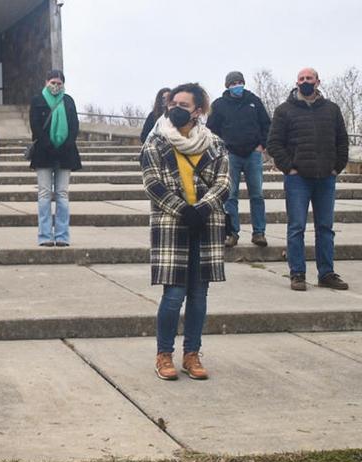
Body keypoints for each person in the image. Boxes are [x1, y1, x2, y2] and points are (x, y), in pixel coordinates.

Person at [140, 83, 230, 381]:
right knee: (173, 294)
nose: (175, 108)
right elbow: (153, 184)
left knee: (199, 294)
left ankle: (192, 354)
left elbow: (224, 182)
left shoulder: (214, 143)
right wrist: (184, 210)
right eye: (173, 103)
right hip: (172, 225)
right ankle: (163, 354)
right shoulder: (156, 141)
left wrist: (203, 208)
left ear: (198, 111)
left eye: (183, 104)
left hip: (206, 225)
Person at [267, 67, 349, 291]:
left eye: (309, 78)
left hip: (326, 178)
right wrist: (289, 167)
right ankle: (297, 274)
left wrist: (336, 167)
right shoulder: (284, 110)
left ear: (318, 82)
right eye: (302, 78)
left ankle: (326, 273)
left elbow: (342, 141)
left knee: (325, 228)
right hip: (298, 179)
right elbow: (274, 143)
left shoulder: (332, 109)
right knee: (296, 227)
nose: (305, 81)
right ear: (296, 82)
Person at [207, 71, 271, 248]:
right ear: (227, 85)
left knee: (257, 195)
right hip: (231, 155)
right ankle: (232, 233)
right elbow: (211, 129)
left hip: (253, 153)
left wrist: (262, 145)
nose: (237, 85)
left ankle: (259, 232)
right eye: (233, 83)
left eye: (240, 82)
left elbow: (266, 124)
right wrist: (222, 149)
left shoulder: (254, 101)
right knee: (230, 195)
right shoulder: (219, 105)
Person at [28, 69, 81, 247]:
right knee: (44, 194)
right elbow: (35, 126)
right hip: (44, 153)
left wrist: (65, 144)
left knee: (62, 194)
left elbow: (74, 125)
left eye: (59, 83)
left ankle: (62, 236)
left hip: (65, 153)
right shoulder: (37, 101)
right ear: (46, 82)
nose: (56, 86)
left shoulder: (68, 101)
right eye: (53, 82)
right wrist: (49, 145)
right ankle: (44, 236)